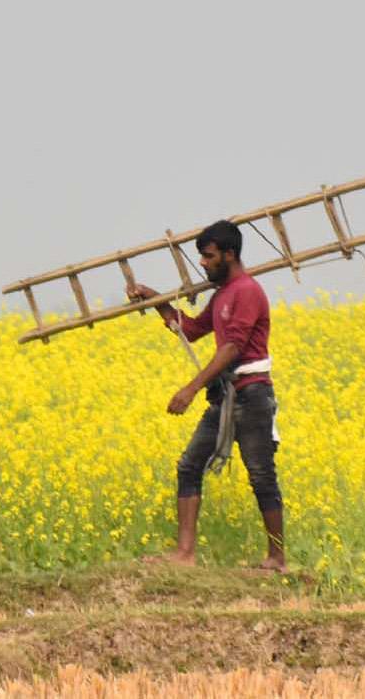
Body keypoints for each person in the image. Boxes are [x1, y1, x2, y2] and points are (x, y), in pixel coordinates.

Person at [126, 219, 286, 572]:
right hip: (227, 396)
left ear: (230, 254)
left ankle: (277, 558)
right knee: (189, 466)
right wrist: (157, 301)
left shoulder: (247, 292)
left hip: (252, 394)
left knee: (261, 474)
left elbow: (232, 348)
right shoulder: (222, 295)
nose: (203, 263)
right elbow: (194, 330)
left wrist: (191, 388)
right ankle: (184, 554)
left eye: (209, 256)